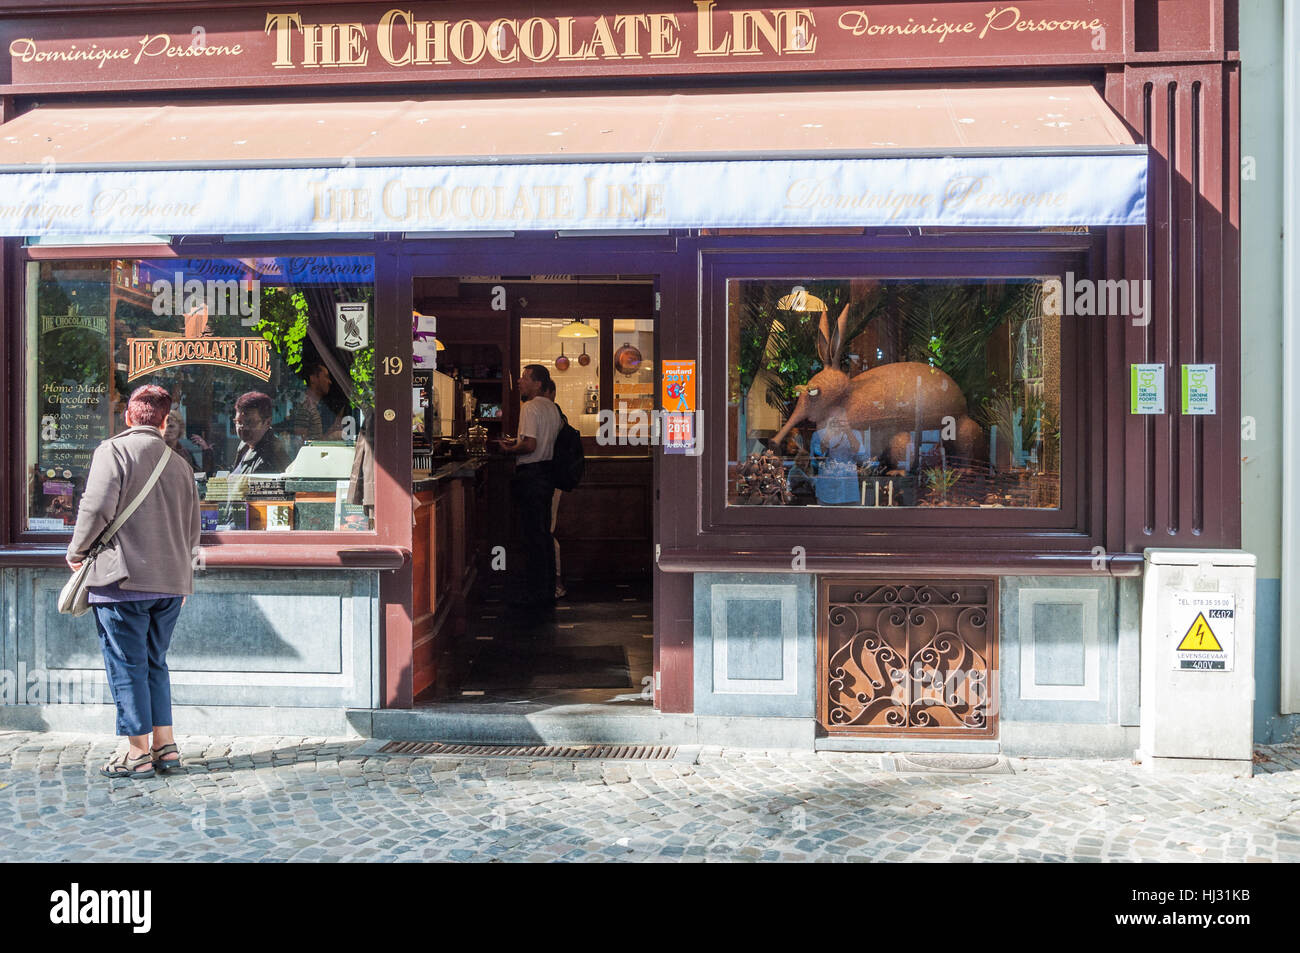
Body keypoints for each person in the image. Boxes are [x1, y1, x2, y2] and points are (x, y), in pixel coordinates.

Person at [66, 384, 202, 779]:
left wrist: (76, 552)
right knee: (155, 663)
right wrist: (184, 578)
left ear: (128, 416)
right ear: (164, 422)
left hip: (121, 580)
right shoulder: (180, 465)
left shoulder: (112, 451)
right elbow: (193, 532)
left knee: (126, 665)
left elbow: (94, 508)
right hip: (171, 583)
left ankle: (137, 752)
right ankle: (167, 746)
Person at [498, 364, 561, 610]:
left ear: (538, 383)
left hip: (531, 475)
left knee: (532, 535)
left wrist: (510, 448)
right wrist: (519, 442)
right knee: (543, 533)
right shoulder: (553, 409)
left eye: (525, 378)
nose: (520, 382)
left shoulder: (530, 407)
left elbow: (531, 445)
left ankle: (535, 592)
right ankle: (547, 589)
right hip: (547, 474)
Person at [542, 379, 566, 599]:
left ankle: (555, 582)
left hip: (547, 479)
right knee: (546, 530)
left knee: (546, 531)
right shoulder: (557, 413)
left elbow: (534, 445)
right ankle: (552, 581)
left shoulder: (548, 411)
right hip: (553, 478)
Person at [230, 391, 290, 475]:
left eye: (249, 422)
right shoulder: (245, 445)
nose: (243, 427)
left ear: (267, 422)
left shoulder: (270, 457)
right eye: (239, 422)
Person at [290, 359, 343, 452]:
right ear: (313, 378)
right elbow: (301, 447)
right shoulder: (305, 407)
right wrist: (332, 437)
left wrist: (332, 430)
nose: (329, 382)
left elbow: (314, 441)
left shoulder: (312, 407)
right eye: (326, 377)